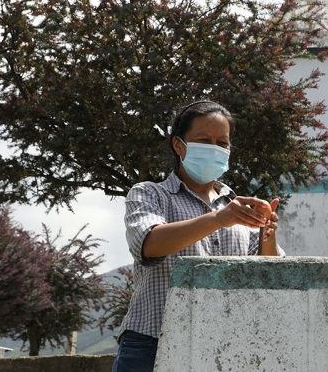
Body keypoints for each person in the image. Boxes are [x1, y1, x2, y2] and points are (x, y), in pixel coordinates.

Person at [111, 100, 284, 372]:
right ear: (179, 145)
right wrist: (219, 219)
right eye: (204, 140)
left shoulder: (236, 207)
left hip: (223, 347)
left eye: (222, 143)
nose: (215, 149)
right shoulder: (150, 194)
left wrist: (267, 236)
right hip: (152, 345)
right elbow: (149, 243)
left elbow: (269, 275)